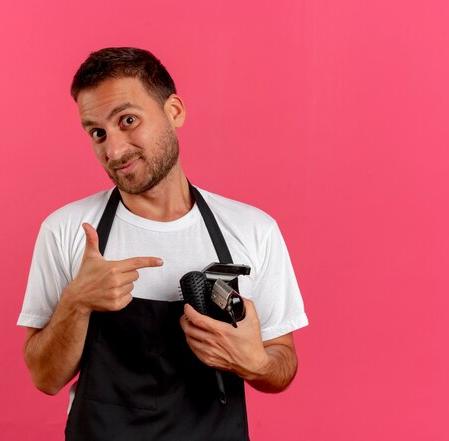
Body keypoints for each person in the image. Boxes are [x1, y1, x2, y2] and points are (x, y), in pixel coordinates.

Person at [17, 47, 308, 441]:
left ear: (174, 111)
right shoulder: (68, 230)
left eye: (128, 120)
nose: (114, 150)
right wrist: (77, 302)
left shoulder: (252, 229)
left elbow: (281, 366)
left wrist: (256, 362)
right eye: (97, 133)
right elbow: (45, 379)